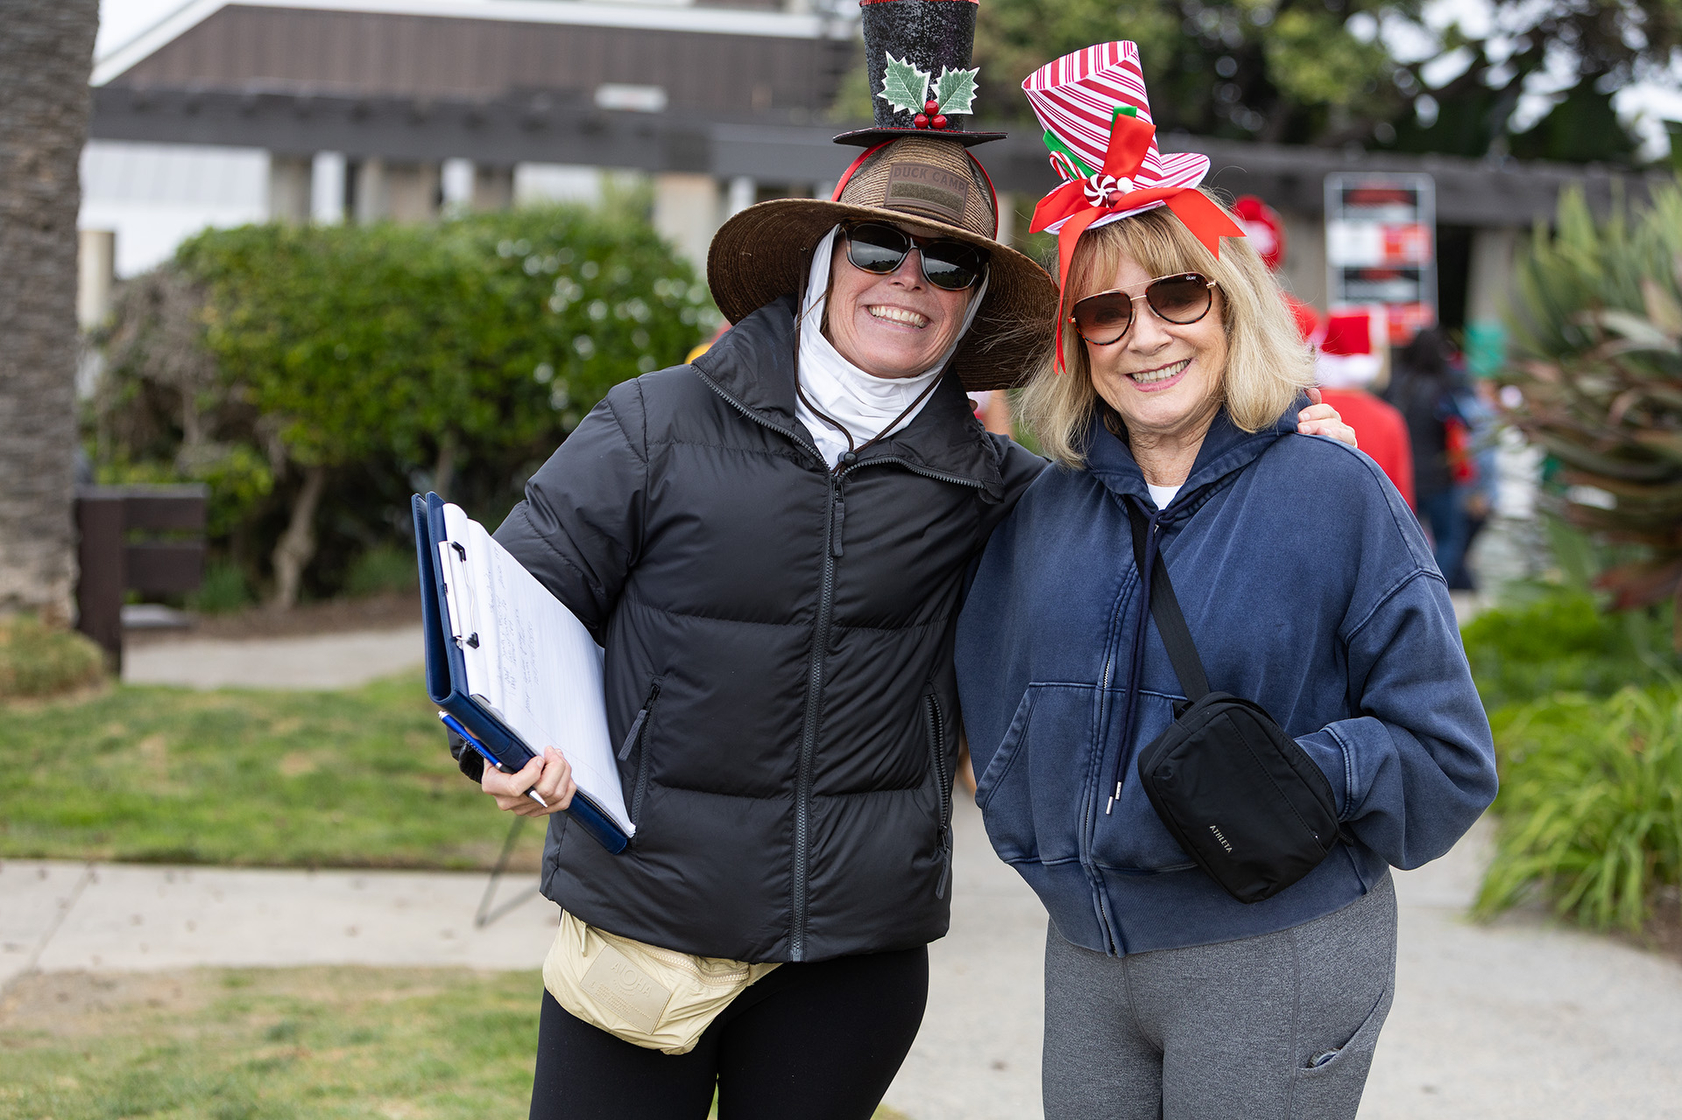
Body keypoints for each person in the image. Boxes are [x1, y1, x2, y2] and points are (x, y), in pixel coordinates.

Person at [463, 11, 1357, 1118]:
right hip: (641, 929)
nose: (908, 280)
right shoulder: (655, 423)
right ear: (826, 263)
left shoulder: (998, 487)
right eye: (879, 249)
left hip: (850, 962)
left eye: (947, 264)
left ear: (973, 302)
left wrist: (1282, 436)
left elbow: (1153, 485)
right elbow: (506, 602)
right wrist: (498, 741)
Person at [954, 42, 1497, 1120]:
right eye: (1104, 312)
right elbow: (981, 696)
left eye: (1176, 294)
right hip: (1088, 955)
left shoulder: (1331, 492)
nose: (1143, 335)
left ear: (1232, 302)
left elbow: (1445, 759)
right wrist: (1039, 830)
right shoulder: (1042, 509)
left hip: (1273, 949)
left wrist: (1290, 779)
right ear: (1074, 340)